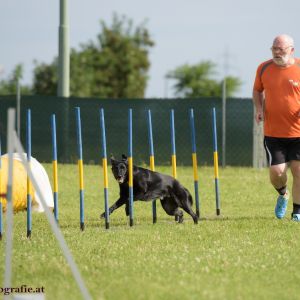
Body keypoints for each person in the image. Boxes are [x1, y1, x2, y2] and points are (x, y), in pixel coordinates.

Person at [253, 34, 300, 221]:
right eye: (274, 49)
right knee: (277, 172)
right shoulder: (263, 68)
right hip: (273, 133)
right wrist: (258, 108)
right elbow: (257, 90)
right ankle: (283, 194)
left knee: (298, 170)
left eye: (281, 49)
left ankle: (297, 212)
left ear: (292, 50)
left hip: (298, 132)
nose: (277, 53)